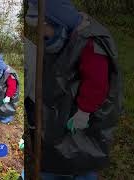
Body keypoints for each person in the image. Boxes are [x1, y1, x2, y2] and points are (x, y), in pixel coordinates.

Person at [25, 0, 122, 179]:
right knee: (57, 155)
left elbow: (96, 83)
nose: (40, 33)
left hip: (83, 116)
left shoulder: (90, 42)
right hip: (61, 111)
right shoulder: (60, 37)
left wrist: (84, 112)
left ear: (53, 21)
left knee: (80, 155)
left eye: (41, 27)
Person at [0, 55, 20, 124]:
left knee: (7, 105)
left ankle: (8, 116)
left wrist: (8, 96)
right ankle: (0, 114)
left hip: (9, 94)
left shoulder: (10, 74)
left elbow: (12, 87)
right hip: (2, 92)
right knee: (0, 103)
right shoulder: (1, 72)